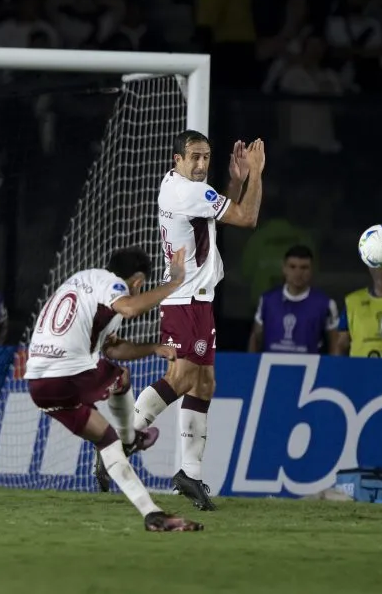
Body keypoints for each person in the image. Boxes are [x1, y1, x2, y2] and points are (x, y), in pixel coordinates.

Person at [132, 131, 265, 512]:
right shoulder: (188, 192)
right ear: (177, 159)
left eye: (206, 157)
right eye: (194, 157)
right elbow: (247, 217)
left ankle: (188, 473)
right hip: (184, 300)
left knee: (204, 384)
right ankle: (122, 437)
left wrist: (235, 182)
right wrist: (255, 173)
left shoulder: (181, 187)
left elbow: (211, 220)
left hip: (196, 300)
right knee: (184, 379)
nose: (202, 165)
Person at [26, 246, 202, 532]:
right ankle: (130, 438)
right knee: (120, 377)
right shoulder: (114, 285)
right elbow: (130, 308)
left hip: (39, 383)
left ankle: (152, 515)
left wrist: (153, 348)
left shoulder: (85, 281)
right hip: (67, 372)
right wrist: (174, 284)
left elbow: (114, 348)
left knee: (106, 440)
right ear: (137, 282)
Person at [248, 245, 339, 354]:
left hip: (309, 369)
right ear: (284, 268)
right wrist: (250, 368)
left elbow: (335, 344)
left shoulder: (326, 304)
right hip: (271, 368)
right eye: (292, 267)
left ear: (312, 270)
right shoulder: (267, 300)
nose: (298, 273)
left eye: (304, 267)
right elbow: (256, 338)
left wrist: (332, 369)